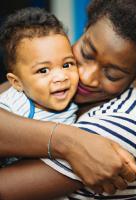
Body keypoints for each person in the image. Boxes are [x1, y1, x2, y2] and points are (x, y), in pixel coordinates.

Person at [0, 0, 136, 199]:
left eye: (113, 74)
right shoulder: (60, 82)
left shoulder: (127, 122)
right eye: (86, 53)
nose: (86, 77)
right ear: (84, 30)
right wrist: (69, 141)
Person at [0, 7, 79, 166]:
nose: (61, 77)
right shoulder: (12, 106)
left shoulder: (79, 100)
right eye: (43, 70)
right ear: (17, 82)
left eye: (67, 64)